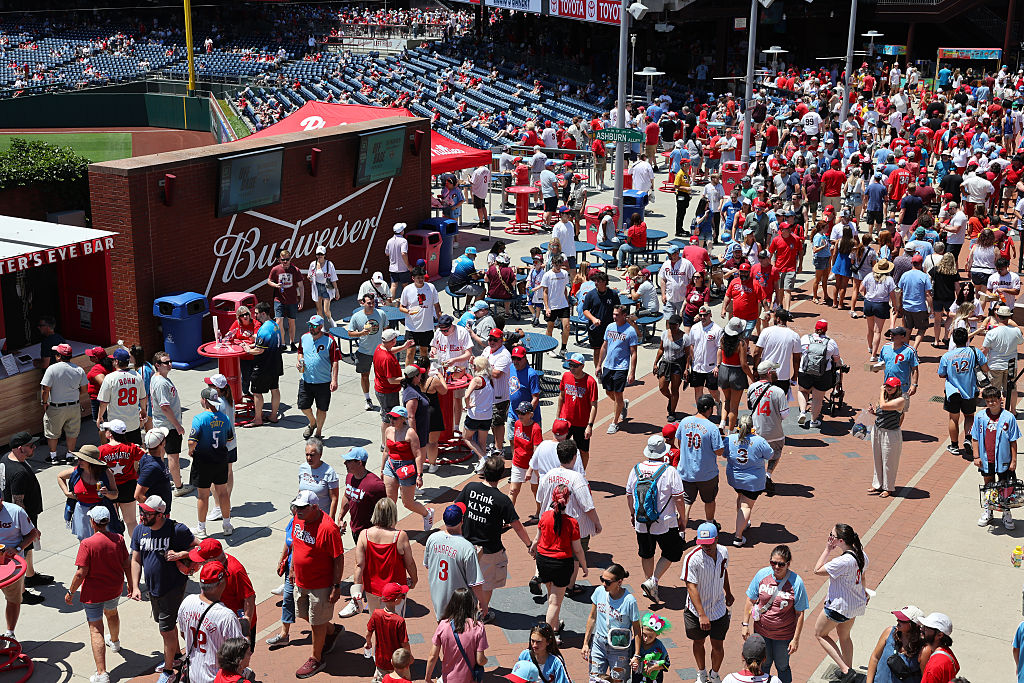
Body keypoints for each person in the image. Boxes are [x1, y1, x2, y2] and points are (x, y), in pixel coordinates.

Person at [130, 495, 198, 683]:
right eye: (141, 510)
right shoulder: (139, 531)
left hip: (172, 588)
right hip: (153, 589)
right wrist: (135, 586)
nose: (141, 515)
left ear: (160, 515)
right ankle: (176, 657)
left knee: (166, 630)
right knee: (166, 626)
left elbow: (202, 547)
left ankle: (169, 672)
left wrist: (181, 554)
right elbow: (136, 559)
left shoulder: (177, 530)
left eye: (146, 512)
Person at [456, 455, 531, 623]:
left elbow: (456, 509)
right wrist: (529, 544)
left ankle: (466, 608)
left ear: (484, 472)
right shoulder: (502, 500)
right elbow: (517, 526)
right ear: (501, 475)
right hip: (489, 550)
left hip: (466, 545)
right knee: (486, 583)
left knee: (468, 580)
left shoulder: (470, 488)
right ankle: (483, 613)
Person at [66, 505, 132, 683]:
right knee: (112, 613)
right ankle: (115, 642)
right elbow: (127, 564)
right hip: (114, 589)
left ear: (93, 522)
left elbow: (81, 573)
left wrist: (71, 592)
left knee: (96, 630)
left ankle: (102, 673)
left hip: (94, 594)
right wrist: (132, 586)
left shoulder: (87, 544)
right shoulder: (118, 539)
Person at [288, 489, 344, 679]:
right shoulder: (298, 518)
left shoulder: (328, 528)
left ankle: (316, 658)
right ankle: (332, 631)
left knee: (316, 621)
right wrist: (292, 568)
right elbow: (296, 543)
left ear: (315, 507)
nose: (299, 511)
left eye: (303, 508)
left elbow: (338, 557)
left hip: (320, 584)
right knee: (304, 614)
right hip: (301, 580)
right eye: (297, 507)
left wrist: (336, 586)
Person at [536, 439, 601, 596]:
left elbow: (539, 498)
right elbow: (588, 506)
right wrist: (597, 523)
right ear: (575, 456)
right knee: (575, 554)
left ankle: (547, 580)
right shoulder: (577, 478)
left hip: (550, 521)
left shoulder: (548, 475)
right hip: (574, 525)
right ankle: (569, 586)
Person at [626, 436, 685, 605]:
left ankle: (649, 582)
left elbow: (629, 495)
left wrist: (632, 514)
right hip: (665, 521)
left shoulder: (636, 469)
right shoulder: (669, 471)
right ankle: (653, 581)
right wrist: (682, 518)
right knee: (672, 552)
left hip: (641, 519)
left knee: (646, 552)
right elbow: (679, 498)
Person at [742, 545, 808, 683]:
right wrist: (745, 624)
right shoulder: (762, 575)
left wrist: (795, 639)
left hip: (783, 637)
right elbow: (750, 600)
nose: (776, 567)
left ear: (788, 564)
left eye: (781, 564)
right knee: (763, 665)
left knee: (782, 666)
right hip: (761, 632)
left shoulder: (796, 583)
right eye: (773, 563)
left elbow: (799, 613)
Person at [813, 523, 869, 683]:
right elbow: (863, 578)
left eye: (832, 536)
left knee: (820, 634)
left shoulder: (842, 561)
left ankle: (845, 669)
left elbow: (817, 570)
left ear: (840, 541)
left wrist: (827, 550)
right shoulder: (862, 555)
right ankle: (848, 672)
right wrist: (864, 593)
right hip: (854, 606)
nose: (830, 539)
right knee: (844, 637)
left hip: (838, 608)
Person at [531, 484, 588, 635]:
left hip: (543, 561)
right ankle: (548, 635)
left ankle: (555, 625)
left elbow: (537, 539)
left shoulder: (544, 516)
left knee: (551, 596)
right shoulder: (572, 522)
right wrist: (584, 566)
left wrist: (532, 548)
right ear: (567, 500)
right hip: (562, 564)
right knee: (555, 603)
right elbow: (577, 549)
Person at [350, 497, 418, 621]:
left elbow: (359, 565)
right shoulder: (400, 536)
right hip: (395, 591)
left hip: (372, 590)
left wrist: (357, 589)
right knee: (395, 625)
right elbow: (410, 563)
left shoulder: (364, 535)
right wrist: (414, 579)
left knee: (376, 622)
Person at [176, 561, 245, 683]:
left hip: (192, 675)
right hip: (216, 678)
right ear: (221, 584)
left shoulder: (187, 602)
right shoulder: (227, 616)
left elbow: (183, 634)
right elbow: (239, 653)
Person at [682, 522, 734, 683]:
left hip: (718, 609)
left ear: (716, 539)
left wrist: (729, 592)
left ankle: (714, 674)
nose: (706, 547)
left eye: (709, 543)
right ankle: (701, 673)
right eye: (702, 544)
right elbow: (691, 586)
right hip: (696, 612)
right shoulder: (692, 558)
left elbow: (723, 572)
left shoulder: (723, 552)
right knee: (698, 642)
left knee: (718, 645)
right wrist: (702, 614)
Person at [2, 432, 51, 599]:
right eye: (31, 446)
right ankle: (21, 593)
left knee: (28, 548)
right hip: (21, 518)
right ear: (20, 448)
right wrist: (27, 526)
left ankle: (30, 576)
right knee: (22, 548)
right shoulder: (19, 473)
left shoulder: (6, 459)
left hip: (20, 515)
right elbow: (18, 502)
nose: (34, 447)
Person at [423, 503, 483, 620]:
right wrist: (484, 604)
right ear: (461, 520)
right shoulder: (467, 547)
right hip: (461, 602)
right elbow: (475, 583)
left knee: (442, 629)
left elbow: (427, 565)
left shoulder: (433, 538)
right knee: (462, 633)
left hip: (439, 597)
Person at [188, 387, 234, 539]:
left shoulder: (199, 419)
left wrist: (190, 450)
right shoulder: (224, 418)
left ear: (204, 401)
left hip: (203, 462)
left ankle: (201, 528)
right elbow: (229, 439)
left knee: (203, 496)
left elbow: (191, 441)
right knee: (223, 492)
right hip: (220, 459)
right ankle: (227, 525)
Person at [973, 385, 1021, 529]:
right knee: (989, 486)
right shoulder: (980, 417)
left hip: (1004, 460)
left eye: (994, 400)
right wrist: (976, 456)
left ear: (1000, 400)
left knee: (1004, 487)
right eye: (988, 401)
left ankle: (1006, 513)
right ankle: (989, 511)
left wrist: (1014, 460)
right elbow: (975, 437)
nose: (991, 403)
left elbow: (1013, 440)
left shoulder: (1009, 417)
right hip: (986, 459)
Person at [583, 563, 642, 680]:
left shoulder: (629, 601)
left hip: (619, 648)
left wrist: (636, 655)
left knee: (617, 680)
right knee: (595, 679)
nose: (604, 584)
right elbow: (592, 617)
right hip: (598, 644)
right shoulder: (599, 592)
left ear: (619, 582)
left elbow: (636, 629)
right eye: (602, 579)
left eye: (608, 582)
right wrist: (585, 643)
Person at [939, 327, 989, 458]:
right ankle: (968, 438)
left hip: (952, 392)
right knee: (969, 416)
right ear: (967, 338)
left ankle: (954, 446)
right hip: (970, 391)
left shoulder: (947, 356)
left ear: (953, 340)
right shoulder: (975, 352)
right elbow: (985, 368)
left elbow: (941, 374)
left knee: (953, 418)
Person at [0, 484, 41, 641]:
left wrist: (17, 548)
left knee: (13, 599)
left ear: (1, 500)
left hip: (12, 566)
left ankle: (10, 632)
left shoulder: (15, 512)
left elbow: (33, 533)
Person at [725, 416, 773, 547]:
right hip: (752, 481)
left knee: (741, 497)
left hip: (735, 479)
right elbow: (770, 455)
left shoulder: (730, 439)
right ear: (752, 427)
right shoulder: (758, 440)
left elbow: (723, 453)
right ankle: (738, 537)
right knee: (746, 506)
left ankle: (743, 523)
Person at [383, 405, 432, 530]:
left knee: (408, 503)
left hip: (406, 467)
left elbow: (418, 455)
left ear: (403, 419)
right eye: (390, 417)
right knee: (390, 500)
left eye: (395, 418)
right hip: (391, 465)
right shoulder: (388, 430)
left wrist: (419, 475)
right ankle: (390, 526)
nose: (391, 420)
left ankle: (427, 514)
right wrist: (382, 469)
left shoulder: (410, 433)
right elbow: (386, 451)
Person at [424, 587, 488, 683]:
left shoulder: (443, 625)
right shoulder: (478, 627)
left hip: (447, 679)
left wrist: (427, 679)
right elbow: (480, 660)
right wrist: (485, 660)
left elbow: (433, 656)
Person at [57, 445, 119, 541]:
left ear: (90, 461)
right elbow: (60, 476)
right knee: (85, 542)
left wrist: (107, 493)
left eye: (82, 459)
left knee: (104, 541)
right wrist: (66, 492)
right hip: (81, 512)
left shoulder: (106, 473)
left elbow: (115, 495)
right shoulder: (76, 472)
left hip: (100, 513)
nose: (78, 461)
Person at [40, 342, 88, 464]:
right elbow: (84, 390)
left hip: (56, 407)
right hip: (74, 406)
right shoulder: (79, 370)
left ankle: (53, 457)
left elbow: (45, 389)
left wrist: (44, 402)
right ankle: (69, 455)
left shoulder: (52, 369)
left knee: (52, 432)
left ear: (59, 356)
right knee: (72, 432)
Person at [97, 419, 145, 538]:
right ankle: (136, 550)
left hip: (109, 488)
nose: (105, 432)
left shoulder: (101, 450)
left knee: (111, 522)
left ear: (111, 434)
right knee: (131, 521)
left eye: (107, 430)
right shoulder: (131, 447)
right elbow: (145, 457)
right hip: (129, 486)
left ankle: (117, 549)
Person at [296, 315, 341, 439]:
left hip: (323, 382)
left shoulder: (330, 340)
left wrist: (334, 380)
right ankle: (312, 422)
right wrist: (299, 361)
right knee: (303, 406)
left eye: (314, 326)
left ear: (321, 327)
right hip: (306, 379)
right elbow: (300, 351)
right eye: (310, 325)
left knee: (322, 408)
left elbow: (335, 361)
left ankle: (318, 432)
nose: (311, 328)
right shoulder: (304, 337)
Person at [599, 305, 640, 435]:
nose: (614, 316)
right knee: (608, 392)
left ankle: (615, 422)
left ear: (624, 315)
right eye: (614, 314)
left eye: (617, 314)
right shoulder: (610, 327)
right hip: (608, 365)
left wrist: (632, 372)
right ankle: (622, 404)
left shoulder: (630, 331)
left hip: (621, 367)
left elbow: (633, 353)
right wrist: (599, 364)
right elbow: (604, 346)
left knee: (617, 394)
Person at [242, 302, 283, 428]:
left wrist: (248, 350)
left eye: (256, 313)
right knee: (274, 389)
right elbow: (265, 342)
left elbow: (260, 350)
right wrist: (253, 338)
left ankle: (258, 419)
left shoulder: (264, 329)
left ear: (263, 314)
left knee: (256, 392)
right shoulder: (275, 325)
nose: (255, 316)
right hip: (276, 363)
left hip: (263, 365)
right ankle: (273, 416)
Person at [797, 320, 844, 429]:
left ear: (815, 328)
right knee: (818, 398)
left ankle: (803, 412)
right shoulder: (831, 342)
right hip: (823, 374)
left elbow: (798, 354)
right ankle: (813, 421)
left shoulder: (805, 338)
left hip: (805, 371)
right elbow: (836, 359)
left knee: (803, 391)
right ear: (826, 330)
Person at [557, 353, 599, 468]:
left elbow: (594, 405)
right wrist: (558, 417)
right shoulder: (566, 376)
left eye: (575, 366)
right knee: (559, 448)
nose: (572, 368)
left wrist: (590, 425)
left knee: (583, 451)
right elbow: (561, 397)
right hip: (566, 421)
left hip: (581, 424)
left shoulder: (590, 382)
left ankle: (582, 473)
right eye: (570, 365)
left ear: (582, 366)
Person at [865, 605, 925, 683]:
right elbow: (875, 657)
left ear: (914, 624)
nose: (898, 621)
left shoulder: (923, 647)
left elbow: (924, 676)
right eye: (898, 618)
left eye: (902, 620)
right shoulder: (889, 632)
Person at [868, 378, 907, 498]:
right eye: (887, 386)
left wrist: (881, 392)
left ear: (897, 388)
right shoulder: (884, 398)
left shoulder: (900, 400)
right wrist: (873, 412)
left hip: (890, 434)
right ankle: (877, 484)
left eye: (891, 386)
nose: (888, 388)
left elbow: (884, 407)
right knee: (877, 458)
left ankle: (888, 487)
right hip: (878, 430)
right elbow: (881, 411)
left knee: (889, 462)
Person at [364, 581, 411, 680]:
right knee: (403, 680)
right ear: (396, 600)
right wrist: (409, 657)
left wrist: (368, 643)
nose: (403, 597)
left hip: (381, 659)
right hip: (398, 660)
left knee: (383, 679)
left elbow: (368, 633)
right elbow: (405, 643)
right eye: (402, 596)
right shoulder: (399, 621)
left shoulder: (376, 614)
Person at [982, 306, 1023, 415]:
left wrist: (981, 364)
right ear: (1009, 316)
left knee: (994, 390)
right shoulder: (1016, 331)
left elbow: (984, 350)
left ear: (997, 316)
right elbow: (1020, 341)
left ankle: (995, 411)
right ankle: (1013, 411)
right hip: (1011, 365)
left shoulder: (991, 333)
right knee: (1012, 389)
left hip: (995, 365)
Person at [399, 266, 442, 365]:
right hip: (411, 328)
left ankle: (424, 375)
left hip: (426, 327)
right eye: (418, 277)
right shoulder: (407, 290)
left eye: (422, 277)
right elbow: (401, 307)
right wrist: (408, 311)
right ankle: (408, 376)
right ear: (413, 278)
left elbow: (437, 306)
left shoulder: (431, 288)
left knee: (424, 352)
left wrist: (440, 322)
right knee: (410, 353)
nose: (421, 279)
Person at [874, 326, 921, 413]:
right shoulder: (885, 347)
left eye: (895, 334)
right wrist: (876, 368)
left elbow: (915, 369)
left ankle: (896, 426)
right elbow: (882, 363)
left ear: (903, 336)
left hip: (903, 386)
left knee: (900, 411)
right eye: (891, 334)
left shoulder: (910, 351)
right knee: (883, 408)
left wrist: (914, 385)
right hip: (888, 385)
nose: (891, 336)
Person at [654, 315, 691, 421]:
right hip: (666, 363)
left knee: (675, 389)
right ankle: (671, 398)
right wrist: (656, 362)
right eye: (670, 325)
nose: (672, 327)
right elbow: (661, 349)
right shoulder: (665, 334)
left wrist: (686, 368)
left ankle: (672, 411)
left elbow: (688, 354)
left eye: (674, 325)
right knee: (662, 387)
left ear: (679, 325)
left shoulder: (685, 337)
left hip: (678, 365)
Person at [719, 317, 752, 433]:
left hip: (723, 371)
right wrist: (752, 377)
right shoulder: (741, 344)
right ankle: (730, 431)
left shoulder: (722, 339)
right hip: (736, 373)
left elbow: (720, 353)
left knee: (726, 400)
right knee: (734, 406)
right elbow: (744, 365)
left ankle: (722, 423)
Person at [267, 249, 304, 352]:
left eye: (287, 259)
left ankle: (292, 342)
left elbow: (301, 286)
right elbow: (269, 281)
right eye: (283, 260)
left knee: (291, 322)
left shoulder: (295, 270)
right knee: (278, 321)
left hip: (292, 300)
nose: (285, 262)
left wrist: (301, 300)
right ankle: (282, 343)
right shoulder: (275, 269)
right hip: (279, 300)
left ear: (290, 259)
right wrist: (275, 285)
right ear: (279, 260)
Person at [861, 260, 898, 362]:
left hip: (869, 303)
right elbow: (892, 295)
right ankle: (873, 355)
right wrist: (895, 306)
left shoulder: (869, 276)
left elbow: (861, 289)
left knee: (870, 329)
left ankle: (870, 347)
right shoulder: (889, 279)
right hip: (881, 305)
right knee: (878, 331)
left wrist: (866, 297)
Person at [298, 436, 340, 519]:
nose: (309, 458)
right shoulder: (303, 468)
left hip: (321, 517)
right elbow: (300, 491)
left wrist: (330, 519)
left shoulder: (329, 472)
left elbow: (334, 499)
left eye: (312, 455)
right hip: (305, 516)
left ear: (320, 454)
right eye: (307, 455)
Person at [541, 255, 572, 358]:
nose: (558, 266)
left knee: (567, 326)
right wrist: (547, 307)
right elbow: (545, 292)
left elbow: (564, 289)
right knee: (550, 327)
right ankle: (549, 348)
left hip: (563, 304)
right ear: (552, 263)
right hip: (552, 305)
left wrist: (567, 302)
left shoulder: (564, 274)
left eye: (560, 264)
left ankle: (563, 348)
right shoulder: (547, 275)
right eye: (556, 264)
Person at [918, 613, 959, 682]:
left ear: (940, 635)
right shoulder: (948, 653)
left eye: (926, 627)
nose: (921, 629)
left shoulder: (934, 665)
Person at [307, 245, 339, 326]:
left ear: (324, 255)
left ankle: (330, 318)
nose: (319, 256)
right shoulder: (313, 264)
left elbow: (333, 278)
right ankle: (321, 325)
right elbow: (310, 275)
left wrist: (336, 291)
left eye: (321, 254)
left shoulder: (329, 264)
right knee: (319, 309)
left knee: (326, 310)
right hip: (317, 287)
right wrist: (309, 277)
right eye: (318, 254)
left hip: (326, 287)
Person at [385, 222, 412, 301]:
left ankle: (390, 303)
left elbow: (386, 253)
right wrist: (408, 265)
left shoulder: (389, 241)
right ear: (401, 231)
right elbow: (403, 253)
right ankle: (404, 302)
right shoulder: (403, 241)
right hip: (403, 268)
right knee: (405, 285)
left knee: (393, 285)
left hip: (393, 268)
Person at [85, 347, 113, 422]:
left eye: (90, 356)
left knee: (102, 425)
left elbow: (105, 385)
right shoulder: (111, 363)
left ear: (96, 358)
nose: (89, 358)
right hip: (110, 399)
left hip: (99, 400)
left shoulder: (96, 369)